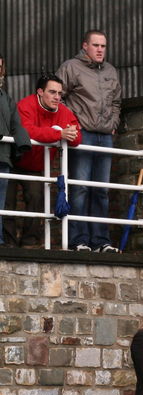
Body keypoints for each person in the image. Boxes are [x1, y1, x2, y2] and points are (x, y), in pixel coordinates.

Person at [57, 29, 122, 252]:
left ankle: (101, 241)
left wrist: (113, 123)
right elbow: (58, 96)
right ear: (85, 46)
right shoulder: (70, 67)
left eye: (103, 46)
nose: (100, 49)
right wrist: (73, 122)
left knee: (101, 190)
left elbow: (117, 102)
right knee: (81, 187)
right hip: (82, 134)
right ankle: (79, 240)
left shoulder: (111, 71)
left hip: (105, 135)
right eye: (96, 45)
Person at [8, 75, 81, 248]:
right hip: (13, 161)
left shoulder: (63, 111)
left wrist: (69, 134)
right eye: (52, 92)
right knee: (7, 203)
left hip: (36, 167)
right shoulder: (26, 105)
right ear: (40, 92)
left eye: (59, 93)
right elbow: (27, 131)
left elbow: (77, 138)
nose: (57, 97)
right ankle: (7, 245)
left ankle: (29, 243)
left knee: (36, 199)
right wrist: (58, 134)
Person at [0, 52, 31, 246]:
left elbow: (15, 124)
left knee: (0, 204)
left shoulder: (6, 97)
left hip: (2, 156)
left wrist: (22, 142)